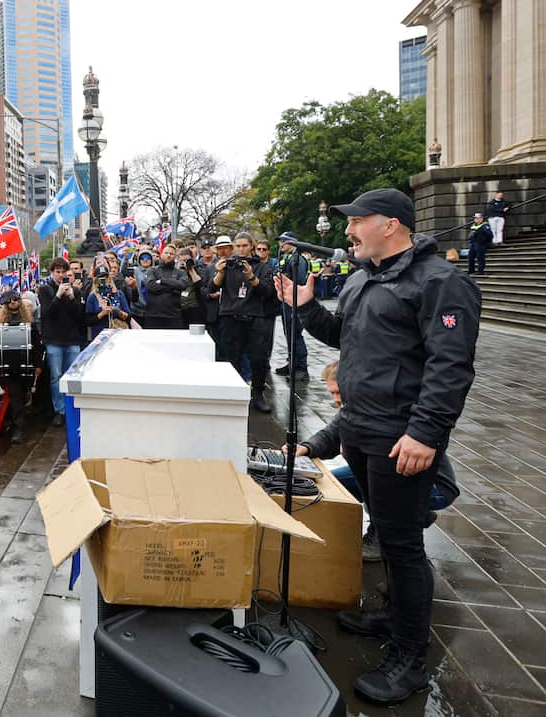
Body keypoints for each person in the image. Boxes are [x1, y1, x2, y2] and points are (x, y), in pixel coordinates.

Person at [278, 187, 480, 705]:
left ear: (390, 225)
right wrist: (307, 309)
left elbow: (449, 366)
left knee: (404, 545)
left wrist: (426, 433)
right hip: (361, 431)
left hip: (401, 439)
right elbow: (349, 341)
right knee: (388, 537)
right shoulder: (364, 278)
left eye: (357, 222)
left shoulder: (440, 282)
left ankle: (411, 657)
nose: (348, 231)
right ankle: (392, 614)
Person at [295, 361, 460, 563]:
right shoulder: (357, 406)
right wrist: (306, 447)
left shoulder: (385, 408)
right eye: (332, 394)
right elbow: (331, 433)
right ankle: (414, 516)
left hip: (434, 487)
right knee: (332, 483)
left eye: (339, 392)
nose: (337, 400)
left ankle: (385, 533)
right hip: (395, 474)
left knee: (376, 482)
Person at [213, 233, 276, 413]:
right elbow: (212, 287)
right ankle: (234, 393)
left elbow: (266, 292)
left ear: (251, 246)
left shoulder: (262, 267)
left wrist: (251, 276)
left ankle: (257, 394)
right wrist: (220, 272)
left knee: (258, 359)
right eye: (238, 246)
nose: (241, 249)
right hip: (230, 316)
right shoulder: (228, 264)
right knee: (232, 358)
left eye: (245, 246)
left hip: (255, 316)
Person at [37, 258, 86, 427]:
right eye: (57, 272)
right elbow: (47, 314)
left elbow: (80, 317)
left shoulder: (76, 292)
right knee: (56, 377)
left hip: (72, 339)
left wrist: (72, 298)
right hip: (53, 340)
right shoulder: (44, 290)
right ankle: (60, 410)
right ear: (52, 273)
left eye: (63, 272)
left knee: (72, 376)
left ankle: (73, 408)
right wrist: (58, 296)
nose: (60, 275)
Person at [0, 290, 44, 444]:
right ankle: (18, 428)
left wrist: (38, 365)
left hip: (27, 365)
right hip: (8, 366)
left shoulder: (29, 323)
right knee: (15, 398)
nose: (13, 302)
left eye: (15, 299)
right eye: (9, 301)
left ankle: (23, 424)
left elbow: (37, 346)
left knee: (25, 395)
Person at [273, 235, 312, 380]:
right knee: (289, 334)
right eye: (280, 241)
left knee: (295, 335)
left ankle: (301, 368)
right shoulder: (287, 257)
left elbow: (299, 280)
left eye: (284, 241)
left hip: (294, 302)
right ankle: (291, 363)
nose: (280, 244)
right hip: (286, 302)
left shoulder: (298, 259)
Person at [145, 243, 199, 330]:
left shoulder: (180, 272)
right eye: (166, 253)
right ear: (161, 254)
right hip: (153, 315)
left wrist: (162, 281)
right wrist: (173, 287)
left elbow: (182, 285)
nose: (168, 255)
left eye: (171, 253)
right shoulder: (152, 270)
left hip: (174, 316)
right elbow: (151, 286)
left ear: (175, 257)